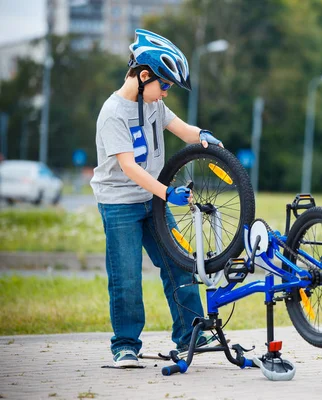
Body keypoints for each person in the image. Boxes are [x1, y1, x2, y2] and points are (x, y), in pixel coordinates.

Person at [90, 29, 223, 367]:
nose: (166, 93)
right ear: (143, 76)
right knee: (126, 277)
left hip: (153, 201)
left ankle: (191, 333)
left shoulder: (154, 106)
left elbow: (183, 130)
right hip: (120, 203)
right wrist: (167, 192)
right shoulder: (113, 113)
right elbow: (129, 167)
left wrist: (205, 137)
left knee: (179, 264)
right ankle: (125, 345)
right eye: (164, 85)